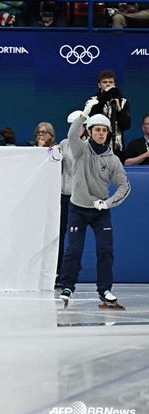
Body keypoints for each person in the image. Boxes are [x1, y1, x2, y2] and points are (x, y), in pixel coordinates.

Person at [59, 98, 131, 307]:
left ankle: (105, 289)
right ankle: (67, 286)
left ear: (108, 134)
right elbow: (72, 134)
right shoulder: (80, 150)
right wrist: (84, 113)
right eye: (97, 130)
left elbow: (124, 186)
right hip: (77, 209)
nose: (101, 133)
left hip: (100, 212)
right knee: (74, 249)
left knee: (105, 250)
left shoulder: (113, 160)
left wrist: (108, 203)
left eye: (104, 130)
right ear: (89, 132)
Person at [54, 111, 82, 289]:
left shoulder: (89, 146)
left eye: (78, 126)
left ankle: (71, 272)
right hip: (64, 197)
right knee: (60, 235)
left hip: (81, 199)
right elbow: (54, 162)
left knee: (75, 237)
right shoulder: (63, 144)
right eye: (72, 126)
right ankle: (58, 272)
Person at [88, 70, 130, 162]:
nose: (108, 84)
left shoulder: (123, 101)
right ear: (99, 85)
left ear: (114, 84)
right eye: (105, 82)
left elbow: (126, 125)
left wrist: (119, 108)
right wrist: (104, 96)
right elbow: (94, 113)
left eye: (111, 82)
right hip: (97, 145)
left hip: (117, 146)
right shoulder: (93, 100)